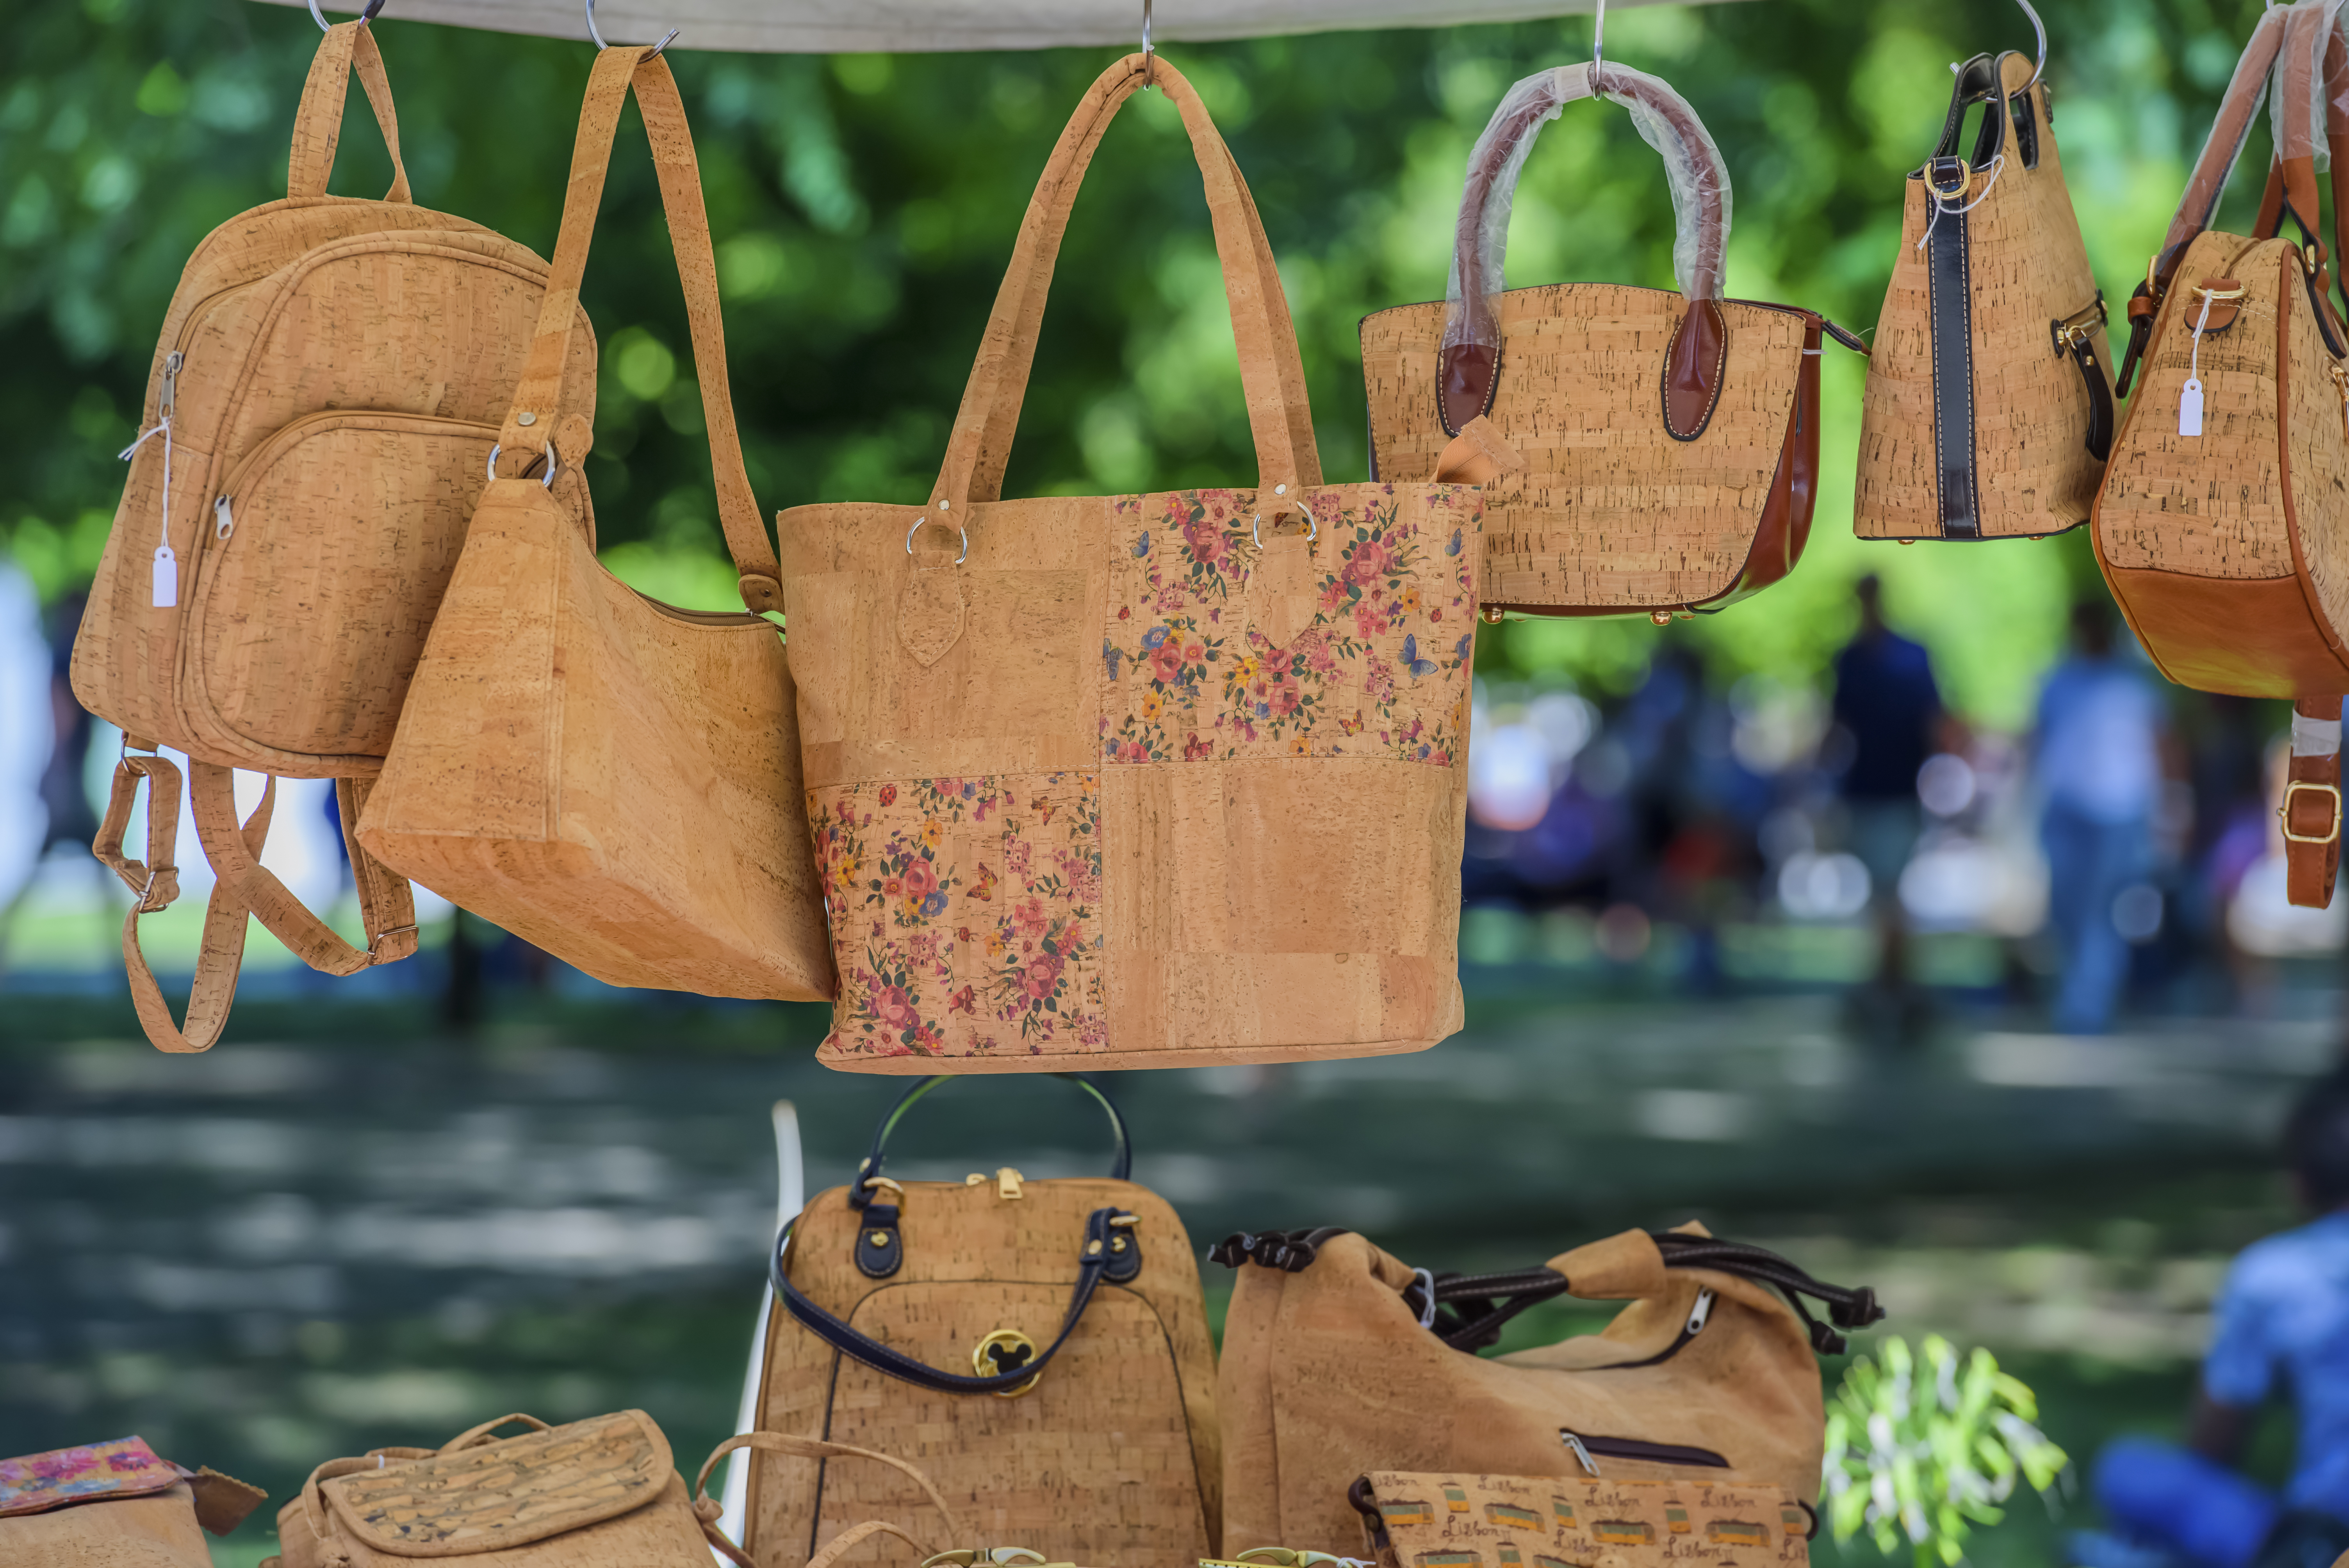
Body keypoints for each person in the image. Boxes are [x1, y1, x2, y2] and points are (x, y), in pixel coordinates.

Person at [2071, 1073, 2349, 1568]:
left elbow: (2212, 1447)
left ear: (2299, 1181)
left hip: (2318, 1541)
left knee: (2125, 1468)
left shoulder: (2275, 1275)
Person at [2032, 599, 2169, 1034]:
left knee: (2099, 910)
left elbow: (2162, 747)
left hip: (2119, 812)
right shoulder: (2056, 680)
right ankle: (2081, 990)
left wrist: (2169, 807)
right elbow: (2037, 740)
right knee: (2065, 908)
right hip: (2066, 808)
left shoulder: (2135, 684)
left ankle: (2085, 1004)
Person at [1828, 574, 1947, 1016]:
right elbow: (1837, 726)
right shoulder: (1852, 660)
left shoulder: (1909, 657)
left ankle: (1892, 981)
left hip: (1897, 789)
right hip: (1865, 789)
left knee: (1889, 893)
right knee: (1883, 894)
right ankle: (1892, 981)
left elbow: (1935, 724)